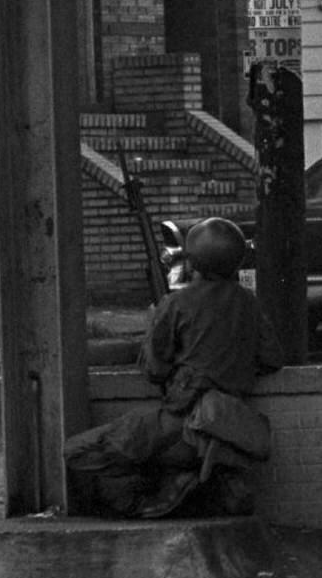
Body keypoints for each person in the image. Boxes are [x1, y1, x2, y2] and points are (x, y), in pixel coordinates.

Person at [64, 216, 282, 519]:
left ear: (192, 261)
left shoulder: (177, 303)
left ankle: (155, 502)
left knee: (76, 452)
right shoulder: (249, 304)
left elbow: (155, 370)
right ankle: (182, 484)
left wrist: (154, 324)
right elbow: (271, 358)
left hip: (181, 421)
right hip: (227, 426)